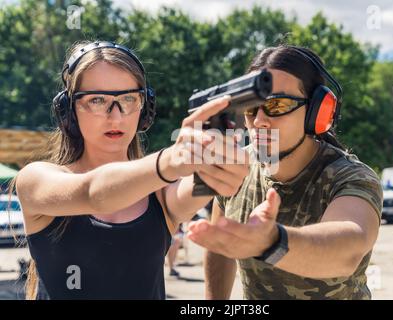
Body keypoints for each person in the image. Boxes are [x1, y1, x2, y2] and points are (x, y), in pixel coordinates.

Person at [13, 40, 248, 299]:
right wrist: (170, 160)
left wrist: (224, 159)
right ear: (68, 110)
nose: (116, 116)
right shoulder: (36, 179)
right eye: (97, 100)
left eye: (127, 99)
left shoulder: (161, 193)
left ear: (144, 107)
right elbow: (94, 193)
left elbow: (208, 179)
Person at [187, 45, 383, 300]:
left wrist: (271, 242)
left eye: (276, 105)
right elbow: (220, 245)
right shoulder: (235, 166)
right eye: (250, 107)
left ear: (317, 111)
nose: (258, 121)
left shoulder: (351, 176)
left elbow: (347, 250)